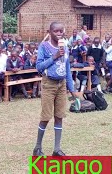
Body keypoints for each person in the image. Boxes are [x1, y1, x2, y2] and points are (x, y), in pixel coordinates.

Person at [33, 22, 79, 156]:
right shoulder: (44, 46)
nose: (59, 34)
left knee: (59, 116)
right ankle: (37, 148)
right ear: (50, 32)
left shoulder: (65, 47)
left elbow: (68, 69)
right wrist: (54, 56)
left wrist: (72, 89)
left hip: (62, 84)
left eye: (61, 31)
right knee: (46, 117)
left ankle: (57, 149)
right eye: (56, 31)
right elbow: (39, 67)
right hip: (49, 84)